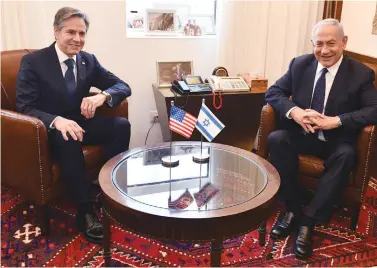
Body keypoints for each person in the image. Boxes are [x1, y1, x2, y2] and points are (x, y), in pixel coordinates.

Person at [16, 7, 132, 244]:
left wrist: (102, 97)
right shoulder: (33, 61)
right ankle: (85, 211)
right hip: (46, 129)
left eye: (82, 33)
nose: (78, 39)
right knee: (68, 135)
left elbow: (122, 86)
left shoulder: (88, 60)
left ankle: (107, 190)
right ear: (56, 32)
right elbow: (25, 106)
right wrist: (57, 121)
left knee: (121, 125)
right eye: (71, 32)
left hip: (79, 122)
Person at [265, 18, 377, 259]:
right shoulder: (300, 64)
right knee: (276, 138)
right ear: (312, 44)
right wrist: (295, 112)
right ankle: (293, 208)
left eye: (331, 43)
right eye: (319, 44)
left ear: (344, 43)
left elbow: (374, 109)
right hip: (303, 134)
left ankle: (308, 221)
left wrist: (335, 120)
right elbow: (273, 92)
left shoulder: (361, 73)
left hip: (337, 139)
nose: (324, 51)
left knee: (346, 155)